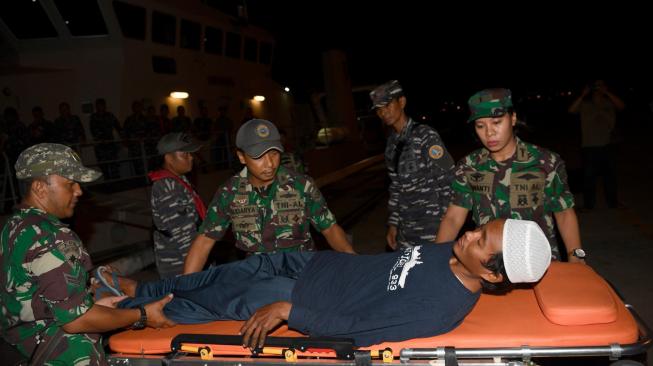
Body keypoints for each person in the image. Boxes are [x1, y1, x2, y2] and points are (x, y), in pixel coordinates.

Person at [111, 218, 551, 348]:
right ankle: (144, 291)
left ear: (493, 274)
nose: (470, 233)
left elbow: (359, 330)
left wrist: (290, 312)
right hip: (315, 264)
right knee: (227, 272)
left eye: (480, 240)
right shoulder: (452, 253)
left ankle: (137, 315)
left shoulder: (439, 308)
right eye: (480, 227)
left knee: (221, 300)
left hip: (301, 295)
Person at [0, 143, 174, 365]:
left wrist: (92, 305)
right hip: (62, 356)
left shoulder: (14, 227)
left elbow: (39, 297)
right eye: (70, 184)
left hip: (23, 350)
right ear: (40, 188)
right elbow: (77, 320)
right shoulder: (53, 236)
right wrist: (142, 315)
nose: (79, 191)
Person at [183, 119, 355, 274]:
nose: (270, 164)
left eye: (274, 153)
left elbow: (330, 228)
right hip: (258, 278)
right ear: (241, 157)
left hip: (302, 273)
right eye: (258, 156)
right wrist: (183, 286)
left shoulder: (301, 185)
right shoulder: (229, 192)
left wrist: (355, 263)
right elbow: (204, 241)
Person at [436, 88, 585, 262]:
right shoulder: (469, 166)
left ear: (513, 118)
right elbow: (453, 218)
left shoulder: (546, 162)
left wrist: (576, 256)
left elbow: (564, 213)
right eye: (480, 125)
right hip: (488, 264)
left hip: (538, 261)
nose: (489, 132)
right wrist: (436, 258)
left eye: (496, 122)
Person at [370, 80, 455, 249]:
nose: (383, 113)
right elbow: (396, 187)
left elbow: (450, 179)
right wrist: (393, 224)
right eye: (379, 109)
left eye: (387, 105)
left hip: (432, 225)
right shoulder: (391, 144)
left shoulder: (426, 136)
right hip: (406, 229)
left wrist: (446, 226)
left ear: (401, 102)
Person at [148, 133, 206, 278]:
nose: (191, 157)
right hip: (181, 266)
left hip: (189, 261)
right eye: (185, 154)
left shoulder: (178, 180)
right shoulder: (167, 187)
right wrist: (198, 269)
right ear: (168, 158)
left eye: (190, 153)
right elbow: (184, 236)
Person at [568, 80, 625, 209]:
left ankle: (613, 202)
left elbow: (621, 106)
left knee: (610, 176)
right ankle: (589, 205)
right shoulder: (585, 102)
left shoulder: (608, 101)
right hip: (589, 144)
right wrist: (583, 95)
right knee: (589, 177)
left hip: (608, 143)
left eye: (601, 85)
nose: (598, 88)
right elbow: (571, 110)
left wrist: (607, 93)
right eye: (596, 86)